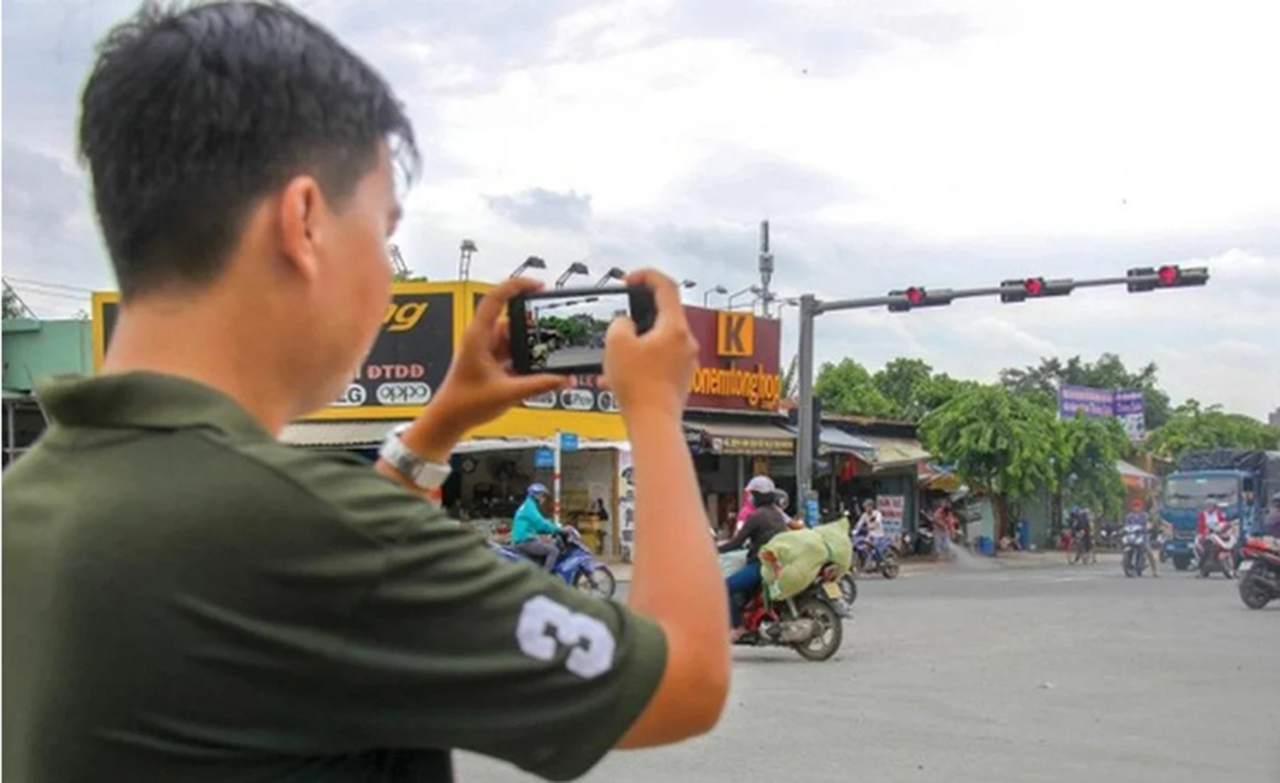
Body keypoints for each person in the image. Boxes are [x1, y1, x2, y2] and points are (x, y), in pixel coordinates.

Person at [0, 5, 730, 781]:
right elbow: (684, 677)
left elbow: (314, 607)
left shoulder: (34, 497)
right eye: (384, 233)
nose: (387, 273)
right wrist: (653, 410)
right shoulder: (309, 530)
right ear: (305, 221)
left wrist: (437, 429)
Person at [718, 476, 790, 640]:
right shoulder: (777, 514)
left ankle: (737, 627)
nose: (750, 497)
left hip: (760, 565)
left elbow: (737, 542)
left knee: (726, 586)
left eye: (753, 494)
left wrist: (716, 549)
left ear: (759, 496)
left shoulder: (757, 516)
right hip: (774, 563)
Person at [512, 484, 561, 571]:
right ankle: (544, 578)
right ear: (536, 496)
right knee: (553, 551)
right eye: (542, 496)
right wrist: (558, 529)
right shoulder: (530, 507)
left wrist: (549, 529)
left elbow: (537, 524)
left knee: (546, 543)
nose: (544, 499)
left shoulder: (528, 506)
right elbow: (540, 523)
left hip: (523, 539)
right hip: (525, 540)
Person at [1123, 498, 1158, 577]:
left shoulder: (1144, 516)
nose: (1136, 508)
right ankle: (1126, 563)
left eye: (1138, 506)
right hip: (1132, 537)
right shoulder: (1129, 516)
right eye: (1134, 506)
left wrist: (1148, 527)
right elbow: (1126, 526)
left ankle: (1154, 571)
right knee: (1125, 548)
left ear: (1141, 507)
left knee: (1149, 552)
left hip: (1142, 537)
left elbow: (1149, 523)